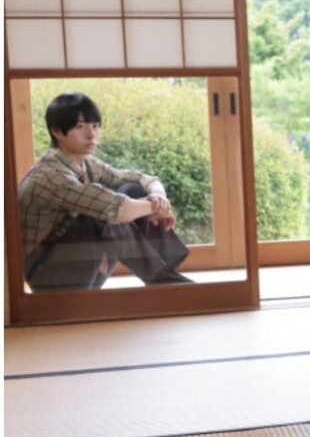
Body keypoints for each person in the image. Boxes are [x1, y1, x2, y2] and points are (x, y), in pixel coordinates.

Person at [18, 92, 191, 291]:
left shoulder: (85, 162)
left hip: (75, 262)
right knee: (104, 214)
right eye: (80, 127)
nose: (91, 135)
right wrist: (155, 207)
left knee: (132, 189)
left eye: (95, 126)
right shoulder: (50, 175)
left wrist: (159, 197)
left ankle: (167, 279)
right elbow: (117, 209)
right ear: (56, 131)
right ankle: (167, 284)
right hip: (45, 275)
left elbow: (141, 179)